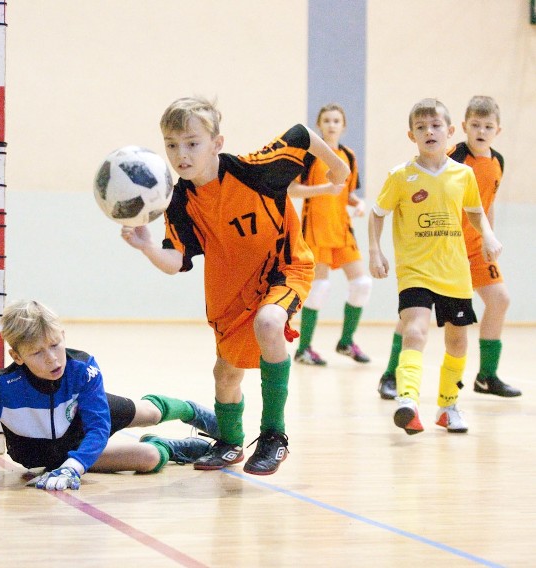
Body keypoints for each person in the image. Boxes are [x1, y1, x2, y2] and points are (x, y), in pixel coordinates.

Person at [120, 96, 349, 475]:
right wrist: (146, 247)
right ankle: (229, 442)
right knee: (226, 374)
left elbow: (303, 133)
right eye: (172, 145)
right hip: (230, 292)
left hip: (285, 270)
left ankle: (275, 436)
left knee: (270, 323)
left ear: (217, 143)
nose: (182, 154)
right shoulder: (179, 201)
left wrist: (338, 169)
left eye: (192, 143)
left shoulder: (255, 169)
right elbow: (177, 261)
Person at [0, 299, 221, 490]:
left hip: (82, 422)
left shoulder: (82, 370)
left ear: (63, 337)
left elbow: (98, 428)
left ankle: (190, 411)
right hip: (41, 456)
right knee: (149, 458)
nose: (54, 359)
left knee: (149, 414)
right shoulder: (0, 389)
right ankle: (170, 447)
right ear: (18, 357)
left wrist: (74, 468)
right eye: (38, 353)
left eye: (56, 345)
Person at [368, 98, 502, 435]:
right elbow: (377, 213)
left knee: (457, 342)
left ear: (450, 131)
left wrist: (487, 235)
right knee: (415, 329)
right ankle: (408, 400)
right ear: (411, 135)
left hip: (454, 271)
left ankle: (447, 406)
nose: (429, 131)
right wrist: (375, 251)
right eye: (421, 127)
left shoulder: (464, 174)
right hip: (415, 270)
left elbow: (475, 210)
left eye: (436, 125)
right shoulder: (400, 176)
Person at [289, 103, 373, 366]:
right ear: (319, 125)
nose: (332, 125)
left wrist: (356, 203)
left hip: (343, 230)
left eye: (337, 120)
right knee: (319, 288)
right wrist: (324, 188)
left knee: (362, 284)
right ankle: (304, 349)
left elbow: (345, 192)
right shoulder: (309, 155)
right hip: (315, 230)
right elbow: (292, 190)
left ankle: (346, 341)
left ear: (343, 125)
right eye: (327, 120)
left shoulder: (348, 155)